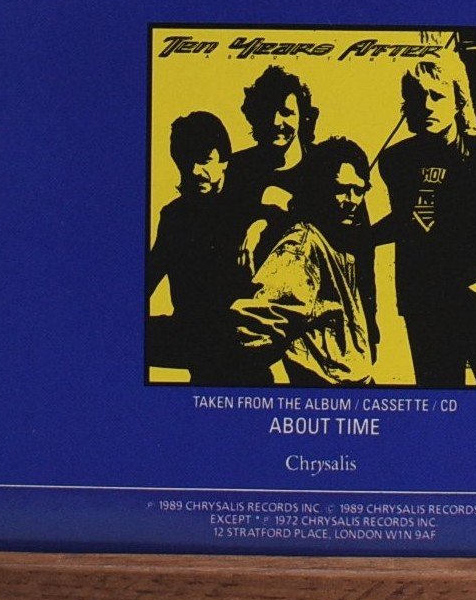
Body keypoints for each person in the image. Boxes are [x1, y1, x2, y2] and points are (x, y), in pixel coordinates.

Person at [376, 50, 476, 387]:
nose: (427, 105)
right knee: (439, 399)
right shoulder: (395, 161)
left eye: (437, 96)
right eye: (417, 97)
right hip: (428, 305)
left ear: (458, 102)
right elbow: (410, 221)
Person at [230, 137, 375, 386]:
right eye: (341, 189)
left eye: (359, 191)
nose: (352, 200)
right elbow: (253, 329)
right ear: (320, 188)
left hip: (353, 385)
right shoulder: (302, 246)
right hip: (323, 389)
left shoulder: (338, 240)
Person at [146, 111, 268, 385]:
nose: (193, 171)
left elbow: (288, 214)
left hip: (244, 354)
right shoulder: (174, 216)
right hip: (199, 349)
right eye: (185, 162)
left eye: (203, 161)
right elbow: (150, 275)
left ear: (224, 160)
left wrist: (258, 226)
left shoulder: (246, 207)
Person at [227, 65, 320, 273]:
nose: (276, 121)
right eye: (267, 112)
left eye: (286, 113)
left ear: (303, 116)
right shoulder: (236, 169)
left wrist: (265, 220)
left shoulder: (324, 164)